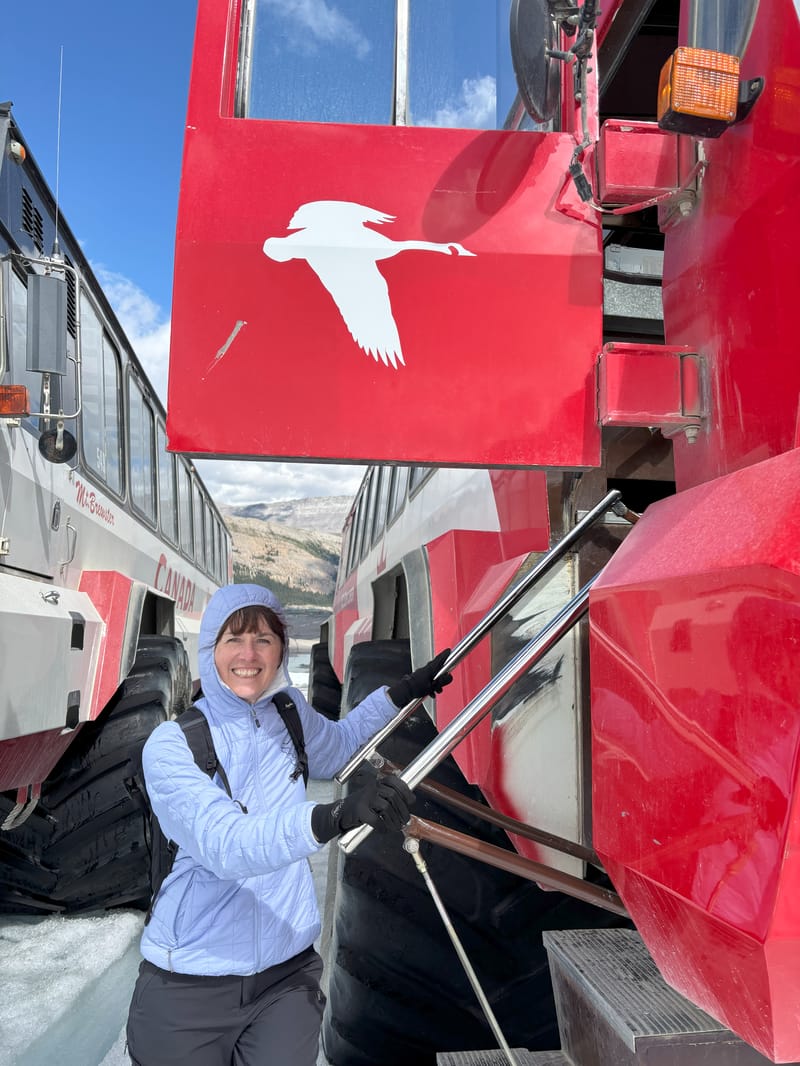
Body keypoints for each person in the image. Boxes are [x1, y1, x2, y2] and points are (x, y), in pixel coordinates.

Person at [126, 582, 452, 1066]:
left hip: (287, 976)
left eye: (264, 639)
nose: (249, 654)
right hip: (190, 982)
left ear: (281, 649)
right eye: (233, 639)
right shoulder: (172, 745)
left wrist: (403, 693)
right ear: (209, 648)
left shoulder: (288, 714)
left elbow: (340, 745)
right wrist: (335, 816)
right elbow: (226, 845)